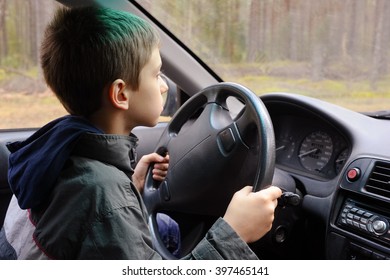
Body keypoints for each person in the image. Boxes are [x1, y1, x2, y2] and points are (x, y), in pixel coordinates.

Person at [0, 6, 281, 260]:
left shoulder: (51, 152)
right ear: (121, 93)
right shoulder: (104, 195)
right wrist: (233, 233)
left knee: (166, 227)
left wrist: (130, 186)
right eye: (157, 74)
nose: (163, 86)